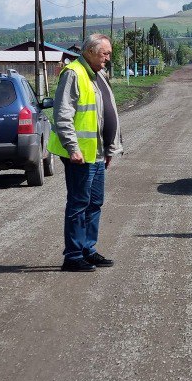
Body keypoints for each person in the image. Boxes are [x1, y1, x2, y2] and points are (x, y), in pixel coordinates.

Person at [49, 33, 121, 271]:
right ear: (89, 51)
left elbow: (105, 113)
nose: (108, 58)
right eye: (105, 53)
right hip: (80, 154)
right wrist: (72, 148)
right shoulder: (73, 73)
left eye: (109, 53)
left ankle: (88, 250)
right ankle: (72, 255)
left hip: (98, 154)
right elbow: (62, 115)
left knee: (94, 203)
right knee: (79, 203)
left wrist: (109, 148)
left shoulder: (98, 74)